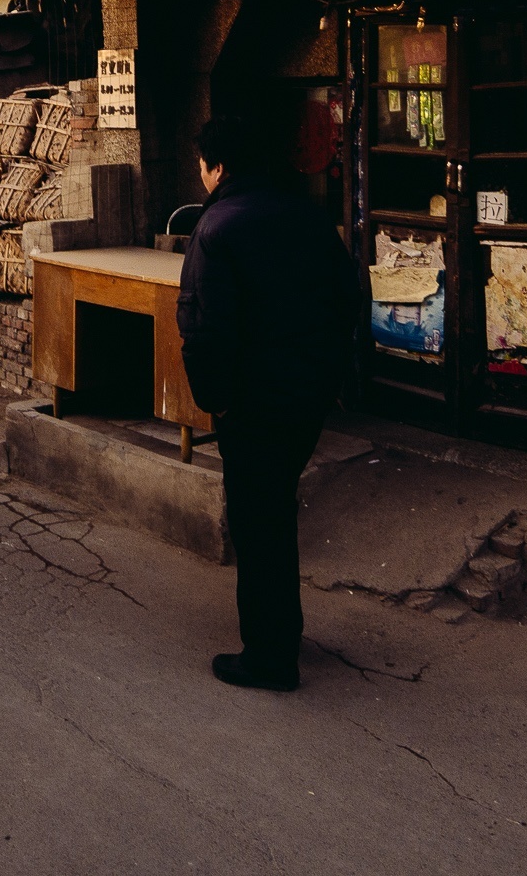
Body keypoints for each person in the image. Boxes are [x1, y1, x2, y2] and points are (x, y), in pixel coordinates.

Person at [176, 116, 362, 692]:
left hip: (253, 404)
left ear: (217, 166)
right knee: (275, 513)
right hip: (306, 397)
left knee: (259, 525)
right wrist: (326, 375)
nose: (201, 177)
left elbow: (205, 331)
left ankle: (270, 656)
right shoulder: (304, 213)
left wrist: (218, 404)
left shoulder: (216, 228)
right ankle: (281, 630)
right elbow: (348, 295)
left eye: (202, 166)